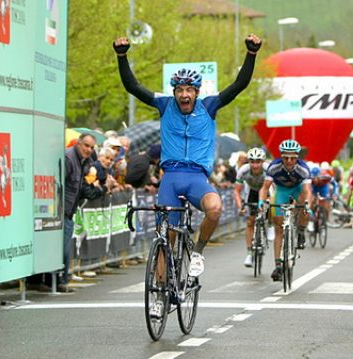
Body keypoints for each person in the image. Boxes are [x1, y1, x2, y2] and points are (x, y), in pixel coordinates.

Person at [114, 32, 262, 277]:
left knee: (214, 209)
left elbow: (239, 85)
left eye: (189, 90)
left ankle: (198, 252)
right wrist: (122, 56)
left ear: (196, 92)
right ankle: (160, 294)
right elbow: (133, 86)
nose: (184, 95)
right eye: (180, 90)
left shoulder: (209, 106)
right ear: (174, 92)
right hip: (170, 178)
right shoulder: (164, 105)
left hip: (197, 179)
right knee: (166, 238)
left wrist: (251, 54)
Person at [258, 139, 312, 282]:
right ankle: (278, 265)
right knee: (279, 228)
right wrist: (261, 202)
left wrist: (307, 206)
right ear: (281, 157)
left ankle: (300, 230)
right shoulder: (273, 167)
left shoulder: (303, 169)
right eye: (285, 157)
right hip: (281, 190)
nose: (289, 161)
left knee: (305, 207)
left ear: (297, 158)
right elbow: (264, 188)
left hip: (298, 189)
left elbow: (307, 191)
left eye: (293, 158)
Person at [62, 133, 96, 292]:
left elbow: (81, 188)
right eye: (86, 146)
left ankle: (62, 279)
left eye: (91, 147)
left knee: (65, 247)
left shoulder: (86, 162)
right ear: (78, 144)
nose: (89, 150)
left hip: (70, 210)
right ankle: (59, 280)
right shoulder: (69, 158)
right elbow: (61, 184)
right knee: (63, 248)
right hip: (61, 210)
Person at [234, 147, 269, 267]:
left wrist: (268, 202)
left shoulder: (268, 169)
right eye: (252, 161)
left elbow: (274, 189)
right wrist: (240, 207)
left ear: (262, 162)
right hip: (252, 191)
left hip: (267, 190)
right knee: (250, 222)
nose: (255, 165)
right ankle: (249, 253)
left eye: (258, 162)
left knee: (270, 208)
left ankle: (270, 226)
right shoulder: (243, 170)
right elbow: (237, 191)